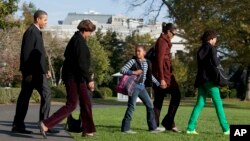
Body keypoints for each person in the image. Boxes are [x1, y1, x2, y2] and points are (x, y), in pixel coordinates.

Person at [38, 19, 96, 138]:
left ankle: (88, 129)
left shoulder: (76, 39)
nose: (90, 34)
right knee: (72, 105)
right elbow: (82, 64)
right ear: (85, 30)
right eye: (90, 32)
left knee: (86, 102)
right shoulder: (79, 42)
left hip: (77, 77)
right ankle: (45, 124)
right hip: (74, 78)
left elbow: (69, 57)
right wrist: (89, 79)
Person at [12, 10, 52, 134]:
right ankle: (41, 124)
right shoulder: (31, 32)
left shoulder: (37, 32)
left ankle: (42, 124)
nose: (46, 22)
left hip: (38, 73)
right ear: (38, 19)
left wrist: (46, 70)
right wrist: (28, 73)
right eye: (45, 20)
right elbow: (26, 54)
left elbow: (39, 55)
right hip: (32, 74)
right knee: (28, 97)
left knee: (42, 95)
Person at [186, 29, 230, 135]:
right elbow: (215, 63)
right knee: (218, 104)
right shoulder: (212, 49)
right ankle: (226, 129)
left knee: (200, 103)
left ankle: (190, 128)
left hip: (201, 80)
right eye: (215, 38)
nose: (216, 40)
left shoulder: (200, 49)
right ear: (211, 38)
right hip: (211, 80)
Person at [121, 45, 164, 134]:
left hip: (142, 87)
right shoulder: (133, 61)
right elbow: (122, 70)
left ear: (144, 52)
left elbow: (149, 75)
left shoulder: (147, 62)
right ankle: (125, 128)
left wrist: (157, 83)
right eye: (136, 51)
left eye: (139, 51)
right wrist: (134, 72)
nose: (137, 53)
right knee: (132, 106)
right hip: (134, 86)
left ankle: (153, 128)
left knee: (150, 105)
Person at [152, 22, 181, 132]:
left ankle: (167, 122)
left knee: (163, 98)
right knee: (161, 99)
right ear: (168, 31)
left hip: (167, 75)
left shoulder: (165, 41)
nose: (174, 36)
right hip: (163, 76)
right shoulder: (162, 42)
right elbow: (159, 61)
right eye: (173, 33)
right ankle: (158, 124)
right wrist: (161, 79)